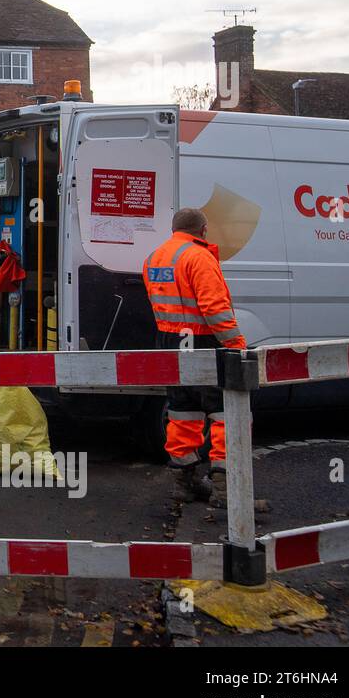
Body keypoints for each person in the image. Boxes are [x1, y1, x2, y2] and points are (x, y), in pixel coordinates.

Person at [143, 207, 247, 508]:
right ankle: (225, 487)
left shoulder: (154, 258)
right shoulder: (199, 257)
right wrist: (237, 346)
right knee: (224, 410)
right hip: (201, 340)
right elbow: (215, 310)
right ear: (202, 230)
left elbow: (159, 303)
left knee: (182, 409)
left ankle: (182, 482)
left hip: (169, 341)